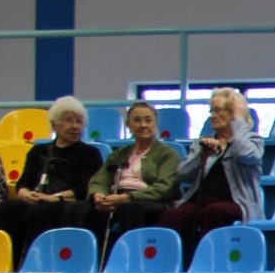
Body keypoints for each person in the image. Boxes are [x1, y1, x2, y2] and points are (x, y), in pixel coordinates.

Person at [156, 87, 263, 255]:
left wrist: (239, 123)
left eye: (218, 110)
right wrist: (202, 154)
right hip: (199, 202)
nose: (212, 116)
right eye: (211, 111)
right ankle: (168, 264)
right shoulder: (203, 142)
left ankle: (208, 260)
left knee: (214, 212)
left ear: (233, 113)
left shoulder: (252, 140)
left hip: (235, 203)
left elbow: (244, 153)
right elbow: (183, 175)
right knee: (172, 215)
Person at [2, 96, 103, 254]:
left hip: (67, 201)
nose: (75, 126)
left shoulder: (90, 153)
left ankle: (37, 258)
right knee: (9, 208)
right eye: (69, 120)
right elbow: (24, 181)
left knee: (38, 212)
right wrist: (24, 193)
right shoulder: (38, 151)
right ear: (55, 125)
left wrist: (55, 197)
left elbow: (87, 187)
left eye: (79, 121)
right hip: (38, 198)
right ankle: (10, 261)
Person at [81, 103, 182, 249]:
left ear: (155, 123)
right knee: (80, 209)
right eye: (137, 120)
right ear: (128, 125)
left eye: (148, 120)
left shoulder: (168, 154)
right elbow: (99, 180)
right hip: (115, 197)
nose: (143, 125)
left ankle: (130, 257)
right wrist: (98, 196)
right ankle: (88, 258)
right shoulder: (119, 154)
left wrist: (126, 198)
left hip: (148, 200)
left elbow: (164, 188)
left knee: (131, 209)